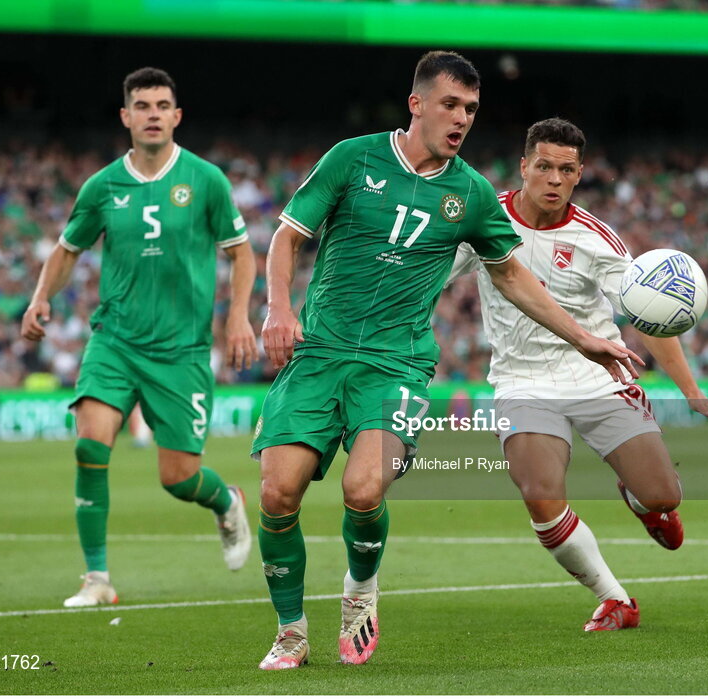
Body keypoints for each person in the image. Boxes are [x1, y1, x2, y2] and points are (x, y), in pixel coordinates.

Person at [253, 52, 645, 670]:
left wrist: (586, 338)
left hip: (397, 363)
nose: (462, 118)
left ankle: (359, 593)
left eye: (471, 109)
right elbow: (288, 236)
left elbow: (513, 275)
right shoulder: (352, 158)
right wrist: (277, 307)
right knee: (278, 493)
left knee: (363, 488)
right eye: (450, 105)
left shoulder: (470, 192)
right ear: (417, 104)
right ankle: (291, 631)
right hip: (320, 354)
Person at [449, 117, 708, 631]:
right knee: (540, 493)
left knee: (663, 493)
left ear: (579, 174)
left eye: (566, 169)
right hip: (522, 381)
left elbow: (646, 316)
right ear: (524, 166)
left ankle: (645, 501)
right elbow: (428, 273)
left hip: (597, 376)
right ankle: (615, 598)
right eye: (544, 166)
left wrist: (691, 392)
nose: (554, 179)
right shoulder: (483, 217)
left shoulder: (596, 239)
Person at [20, 67, 257, 608]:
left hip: (182, 351)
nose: (152, 114)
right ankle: (97, 579)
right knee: (89, 442)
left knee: (178, 478)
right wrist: (40, 298)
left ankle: (227, 500)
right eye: (142, 106)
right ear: (125, 116)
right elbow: (67, 250)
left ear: (176, 116)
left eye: (161, 105)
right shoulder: (102, 186)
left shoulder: (206, 181)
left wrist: (239, 316)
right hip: (116, 341)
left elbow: (241, 253)